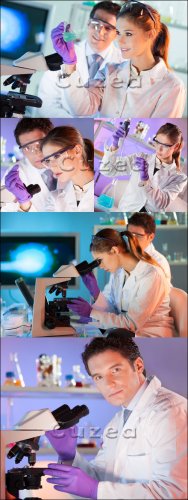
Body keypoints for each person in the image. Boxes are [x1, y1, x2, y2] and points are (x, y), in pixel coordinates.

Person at [44, 332, 187, 499]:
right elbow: (102, 478)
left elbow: (175, 493)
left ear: (138, 366)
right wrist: (69, 456)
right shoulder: (117, 421)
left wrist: (96, 490)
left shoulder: (170, 412)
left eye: (116, 370)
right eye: (99, 377)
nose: (108, 384)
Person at [49, 1, 186, 118]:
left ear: (149, 34)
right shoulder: (109, 71)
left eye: (128, 34)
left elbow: (157, 132)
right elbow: (81, 108)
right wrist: (70, 64)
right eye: (119, 33)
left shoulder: (172, 86)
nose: (119, 41)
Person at [67, 228, 175, 336]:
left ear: (114, 250)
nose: (99, 266)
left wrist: (91, 312)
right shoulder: (119, 273)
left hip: (150, 335)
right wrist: (95, 291)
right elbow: (115, 313)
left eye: (99, 260)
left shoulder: (151, 275)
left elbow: (131, 323)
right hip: (126, 332)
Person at [37, 1, 123, 117]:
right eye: (95, 23)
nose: (100, 31)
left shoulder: (123, 64)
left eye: (108, 28)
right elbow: (46, 104)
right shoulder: (64, 54)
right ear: (88, 23)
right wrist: (74, 124)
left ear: (117, 33)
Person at [99, 122, 187, 211]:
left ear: (176, 147)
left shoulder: (179, 178)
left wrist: (145, 180)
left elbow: (161, 203)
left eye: (165, 145)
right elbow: (106, 170)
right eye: (157, 142)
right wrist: (114, 144)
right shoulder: (140, 157)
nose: (159, 149)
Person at [1, 118, 55, 212]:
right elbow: (8, 217)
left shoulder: (69, 165)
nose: (35, 153)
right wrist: (24, 205)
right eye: (27, 147)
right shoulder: (13, 177)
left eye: (40, 143)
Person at [40, 126, 94, 211]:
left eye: (56, 156)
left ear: (77, 151)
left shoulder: (106, 190)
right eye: (48, 161)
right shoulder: (55, 198)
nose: (52, 166)